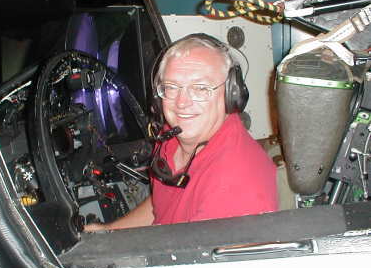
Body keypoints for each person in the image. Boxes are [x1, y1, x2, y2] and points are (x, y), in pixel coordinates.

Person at [85, 33, 277, 231]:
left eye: (201, 88)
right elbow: (160, 205)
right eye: (171, 87)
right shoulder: (173, 133)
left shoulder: (235, 189)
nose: (182, 103)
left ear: (231, 94)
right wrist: (110, 232)